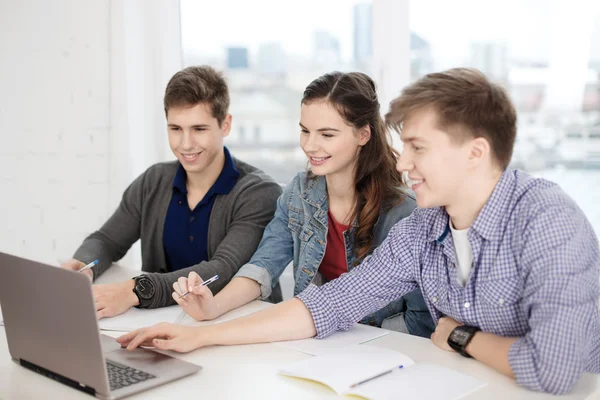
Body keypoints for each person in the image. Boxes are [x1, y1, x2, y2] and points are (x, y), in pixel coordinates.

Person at [117, 68, 600, 395]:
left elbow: (553, 370)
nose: (404, 162)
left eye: (417, 147)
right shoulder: (424, 228)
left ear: (475, 152)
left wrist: (459, 336)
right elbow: (327, 304)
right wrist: (203, 338)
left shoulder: (547, 221)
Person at [170, 71, 434, 336]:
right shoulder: (299, 191)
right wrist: (213, 307)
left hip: (379, 350)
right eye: (305, 131)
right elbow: (264, 265)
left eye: (327, 135)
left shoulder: (405, 212)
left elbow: (421, 321)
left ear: (363, 134)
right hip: (314, 337)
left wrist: (349, 341)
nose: (310, 145)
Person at [61, 66, 282, 318]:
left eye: (199, 129)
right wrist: (84, 265)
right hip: (162, 318)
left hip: (235, 327)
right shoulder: (154, 181)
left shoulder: (258, 193)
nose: (185, 144)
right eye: (175, 129)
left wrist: (135, 291)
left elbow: (222, 269)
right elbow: (107, 241)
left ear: (225, 125)